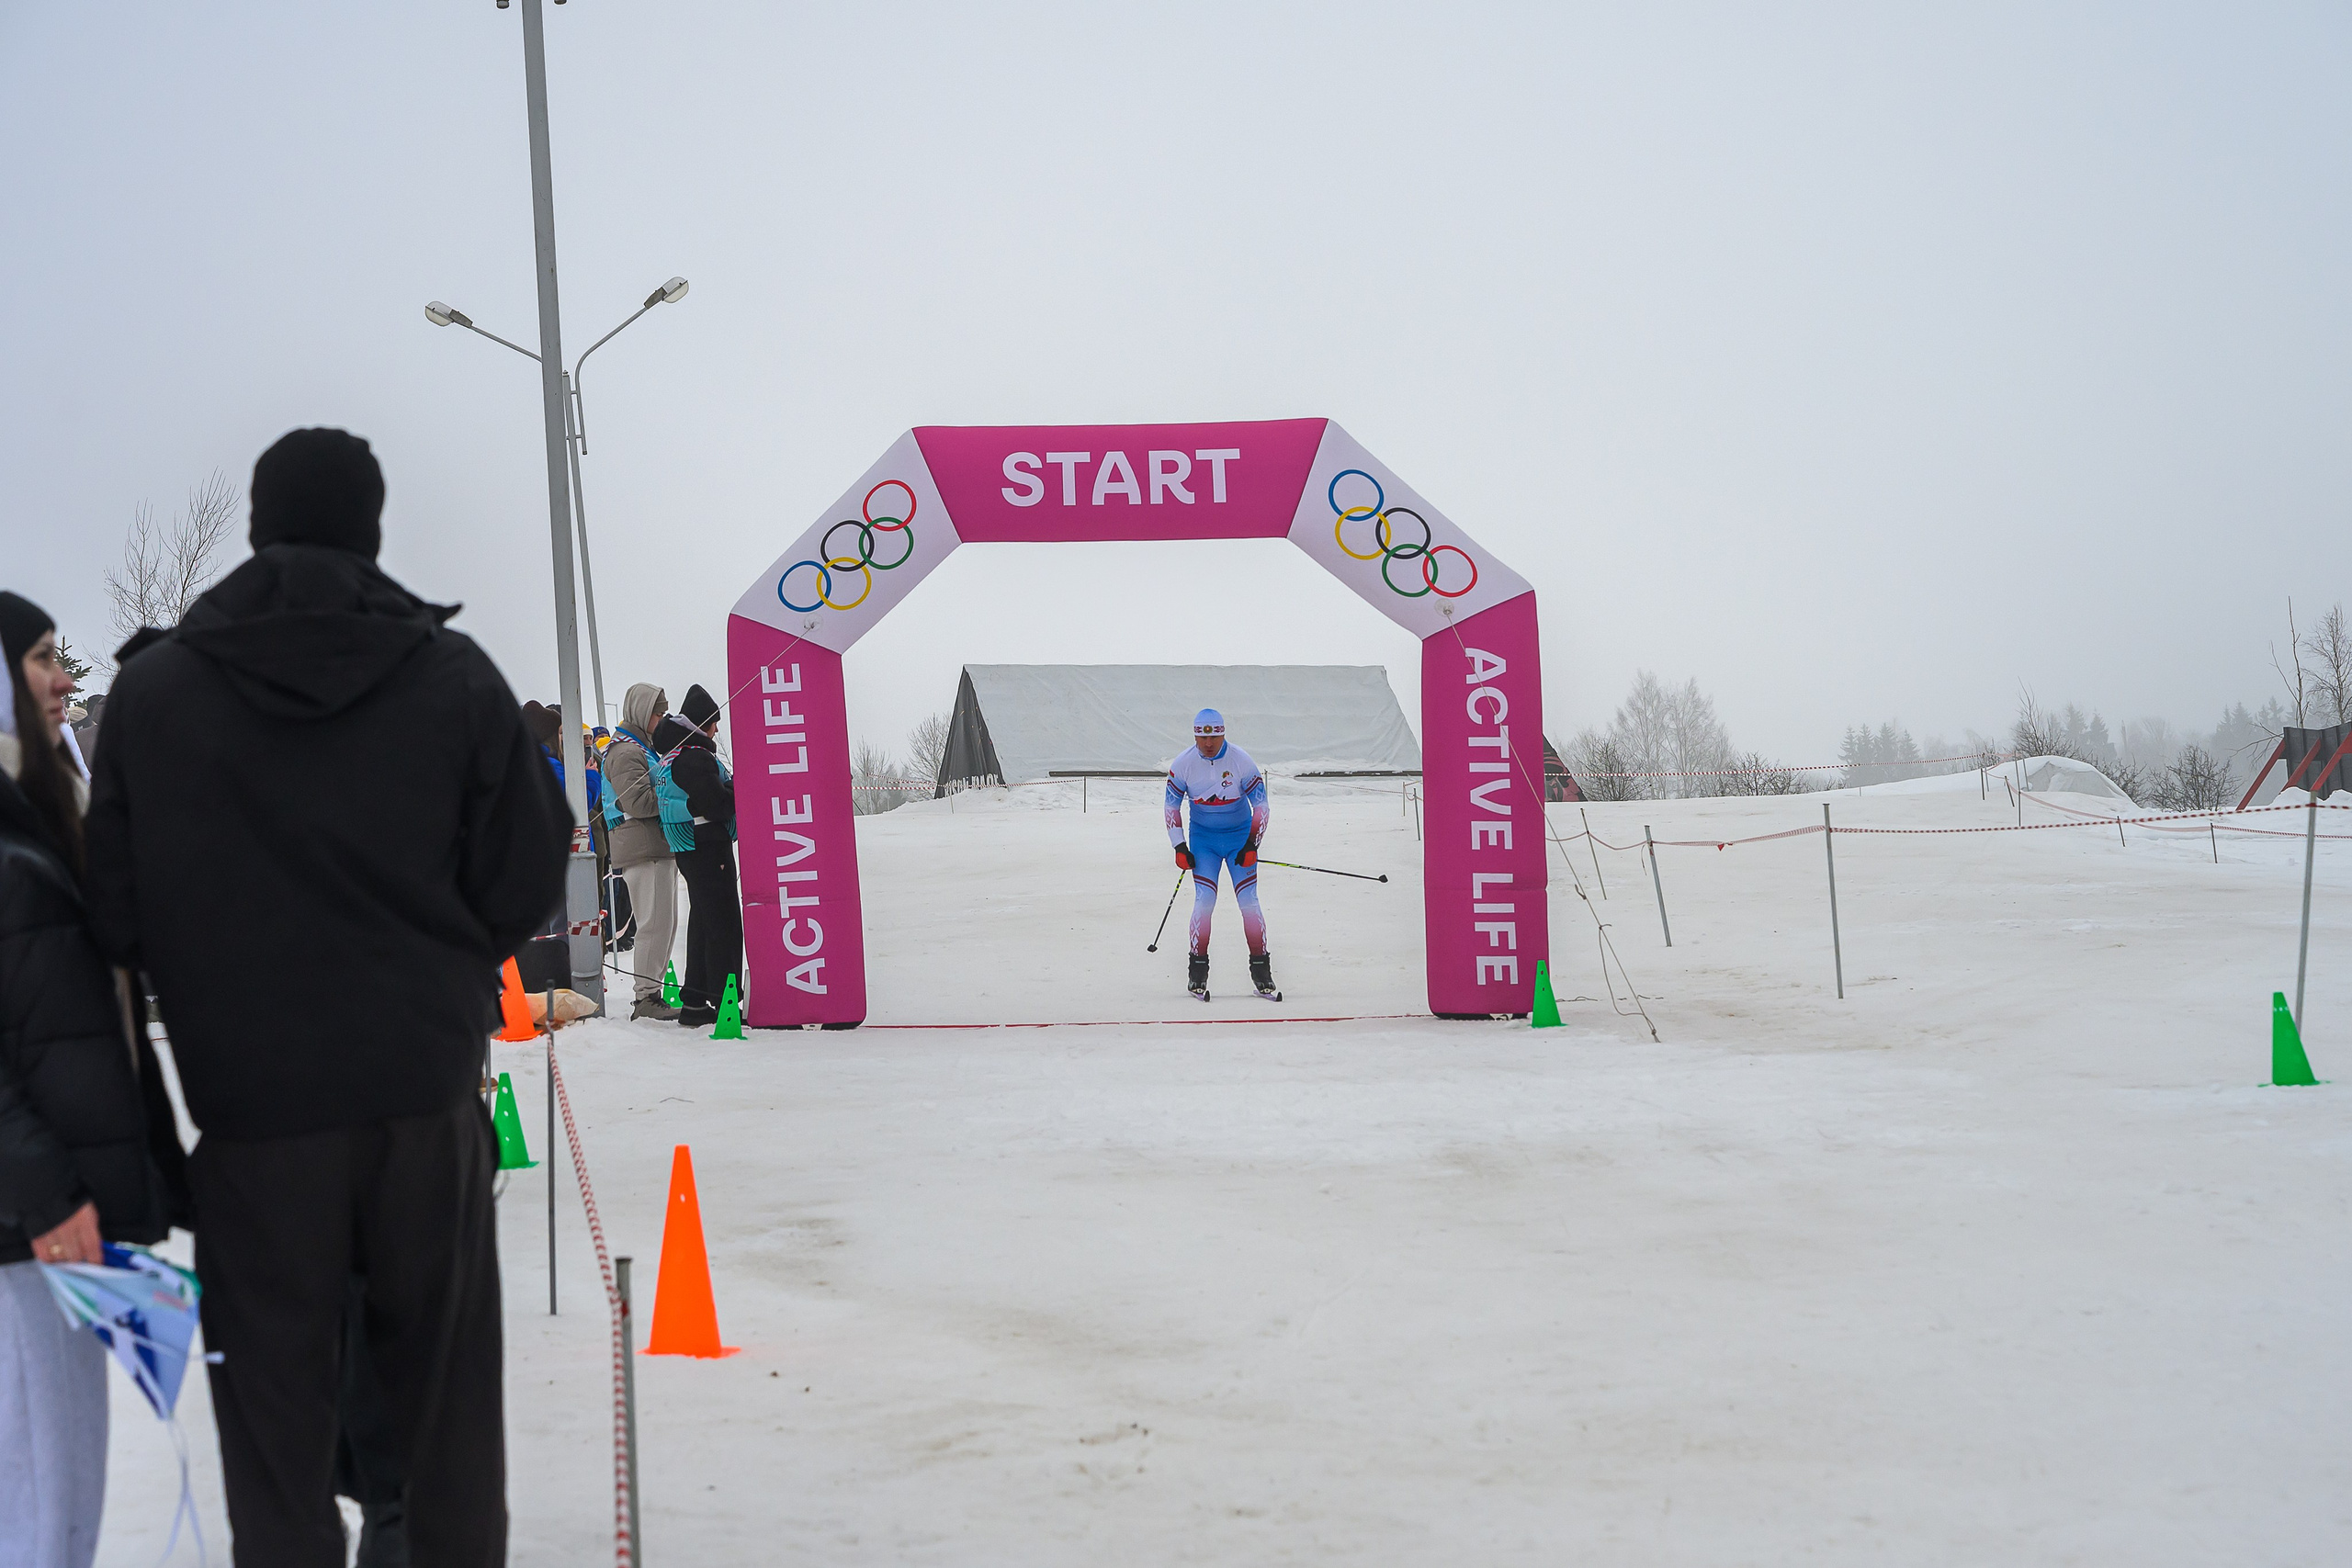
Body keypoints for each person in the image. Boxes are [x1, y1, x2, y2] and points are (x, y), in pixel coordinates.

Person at [82, 428, 570, 1567]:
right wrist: (438, 971)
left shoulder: (153, 694)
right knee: (445, 1415)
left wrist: (215, 984)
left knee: (273, 1430)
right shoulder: (452, 676)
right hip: (421, 1100)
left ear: (256, 523)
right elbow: (528, 873)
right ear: (374, 525)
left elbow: (114, 910)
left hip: (252, 1119)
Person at [0, 592, 187, 1568]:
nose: (64, 676)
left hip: (50, 1215)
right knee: (42, 1485)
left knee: (55, 1480)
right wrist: (47, 1193)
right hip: (30, 1223)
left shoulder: (35, 811)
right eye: (38, 657)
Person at [1164, 707, 1278, 1000]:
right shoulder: (1184, 763)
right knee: (1205, 901)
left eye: (1214, 736)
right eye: (1202, 737)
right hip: (1204, 841)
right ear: (1195, 735)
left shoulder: (1241, 760)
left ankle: (1261, 970)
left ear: (1223, 732)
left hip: (1239, 838)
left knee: (1249, 902)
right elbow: (1171, 807)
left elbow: (1261, 806)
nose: (1209, 743)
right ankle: (1197, 971)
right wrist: (1179, 846)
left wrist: (1252, 844)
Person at [602, 682, 692, 1021]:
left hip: (656, 847)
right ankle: (645, 997)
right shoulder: (626, 752)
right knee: (653, 924)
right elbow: (638, 802)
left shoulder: (641, 748)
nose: (662, 719)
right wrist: (678, 803)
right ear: (642, 712)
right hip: (643, 849)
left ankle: (651, 992)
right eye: (658, 713)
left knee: (665, 923)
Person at [662, 683, 741, 1026]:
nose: (717, 730)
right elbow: (719, 805)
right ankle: (724, 1001)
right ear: (702, 724)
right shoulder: (695, 757)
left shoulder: (675, 755)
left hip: (690, 846)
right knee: (723, 924)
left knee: (704, 922)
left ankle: (694, 1000)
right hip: (708, 846)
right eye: (714, 723)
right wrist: (738, 786)